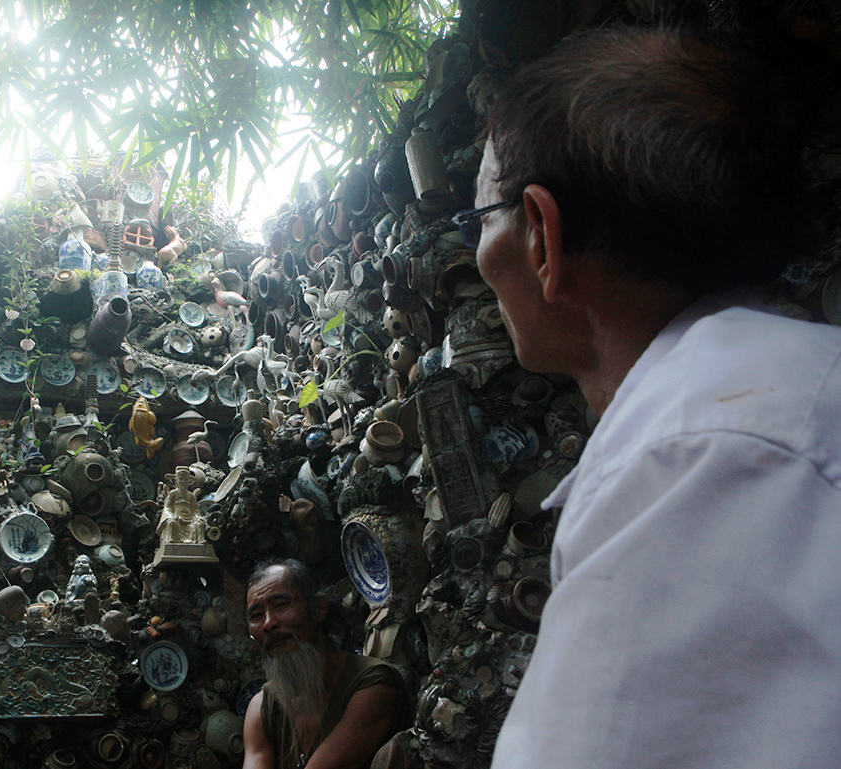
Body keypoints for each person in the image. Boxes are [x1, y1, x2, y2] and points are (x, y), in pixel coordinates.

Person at [468, 25, 841, 768]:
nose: (475, 257)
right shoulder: (766, 386)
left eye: (477, 219)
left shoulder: (693, 456)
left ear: (542, 235)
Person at [242, 559, 410, 769]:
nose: (269, 623)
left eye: (281, 605)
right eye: (257, 616)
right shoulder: (261, 709)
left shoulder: (374, 685)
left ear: (319, 608)